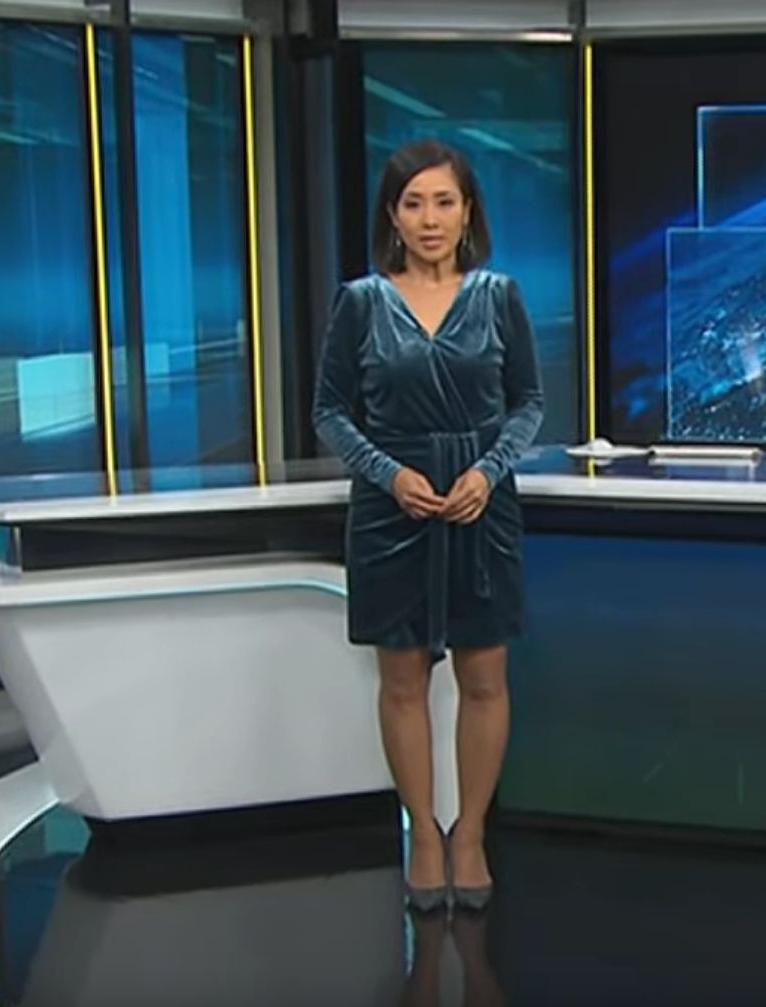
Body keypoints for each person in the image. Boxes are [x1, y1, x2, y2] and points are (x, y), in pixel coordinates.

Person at [312, 140, 543, 914]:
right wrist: (390, 475)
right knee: (403, 681)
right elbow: (329, 411)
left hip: (482, 501)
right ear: (392, 215)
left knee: (484, 677)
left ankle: (469, 832)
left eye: (444, 201)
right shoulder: (360, 302)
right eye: (413, 203)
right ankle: (423, 834)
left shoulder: (500, 296)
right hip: (392, 508)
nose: (430, 218)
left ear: (468, 212)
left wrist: (487, 471)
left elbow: (528, 404)